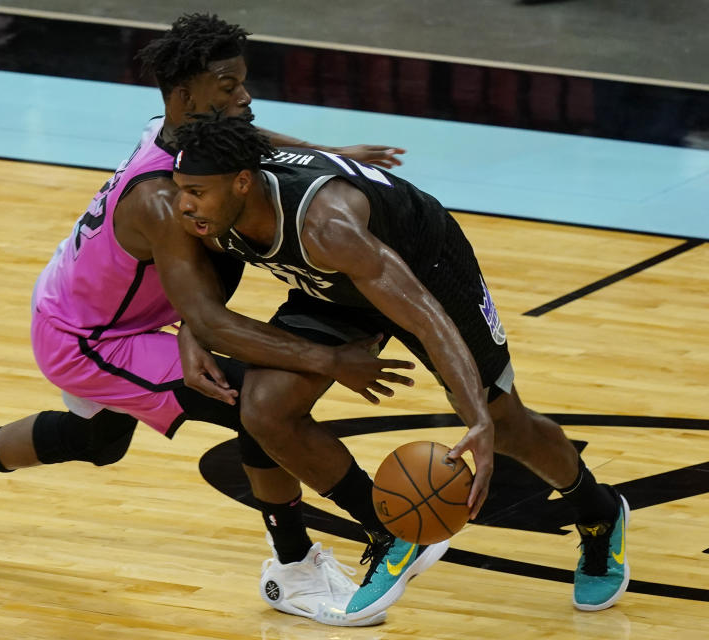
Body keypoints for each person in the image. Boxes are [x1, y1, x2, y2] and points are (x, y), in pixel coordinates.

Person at [0, 13, 409, 627]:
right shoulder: (162, 197)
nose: (244, 97)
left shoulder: (175, 130)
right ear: (187, 96)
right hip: (91, 337)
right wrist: (327, 360)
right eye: (229, 86)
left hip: (78, 302)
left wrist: (333, 154)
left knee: (95, 440)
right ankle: (301, 566)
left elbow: (248, 138)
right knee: (256, 405)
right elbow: (205, 309)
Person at [165, 113, 630, 620]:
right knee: (264, 409)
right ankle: (392, 534)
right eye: (180, 188)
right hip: (334, 284)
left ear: (241, 182)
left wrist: (476, 417)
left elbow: (428, 318)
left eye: (196, 191)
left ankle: (600, 514)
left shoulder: (326, 224)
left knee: (505, 424)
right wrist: (193, 327)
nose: (183, 203)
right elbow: (209, 273)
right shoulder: (209, 208)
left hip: (425, 268)